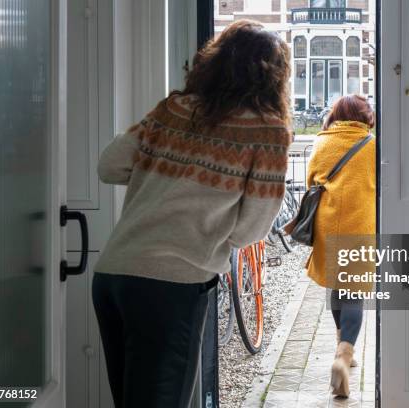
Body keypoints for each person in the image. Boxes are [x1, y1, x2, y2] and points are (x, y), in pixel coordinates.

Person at [92, 20, 292, 408]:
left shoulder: (173, 110)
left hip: (113, 276)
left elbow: (109, 167)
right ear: (274, 75)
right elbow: (251, 229)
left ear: (214, 63)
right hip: (172, 285)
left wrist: (163, 175)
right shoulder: (268, 132)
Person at [305, 95, 376, 397]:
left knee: (336, 287)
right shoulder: (372, 145)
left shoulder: (323, 142)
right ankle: (343, 357)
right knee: (354, 292)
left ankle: (341, 347)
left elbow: (311, 181)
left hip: (327, 224)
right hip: (359, 225)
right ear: (365, 116)